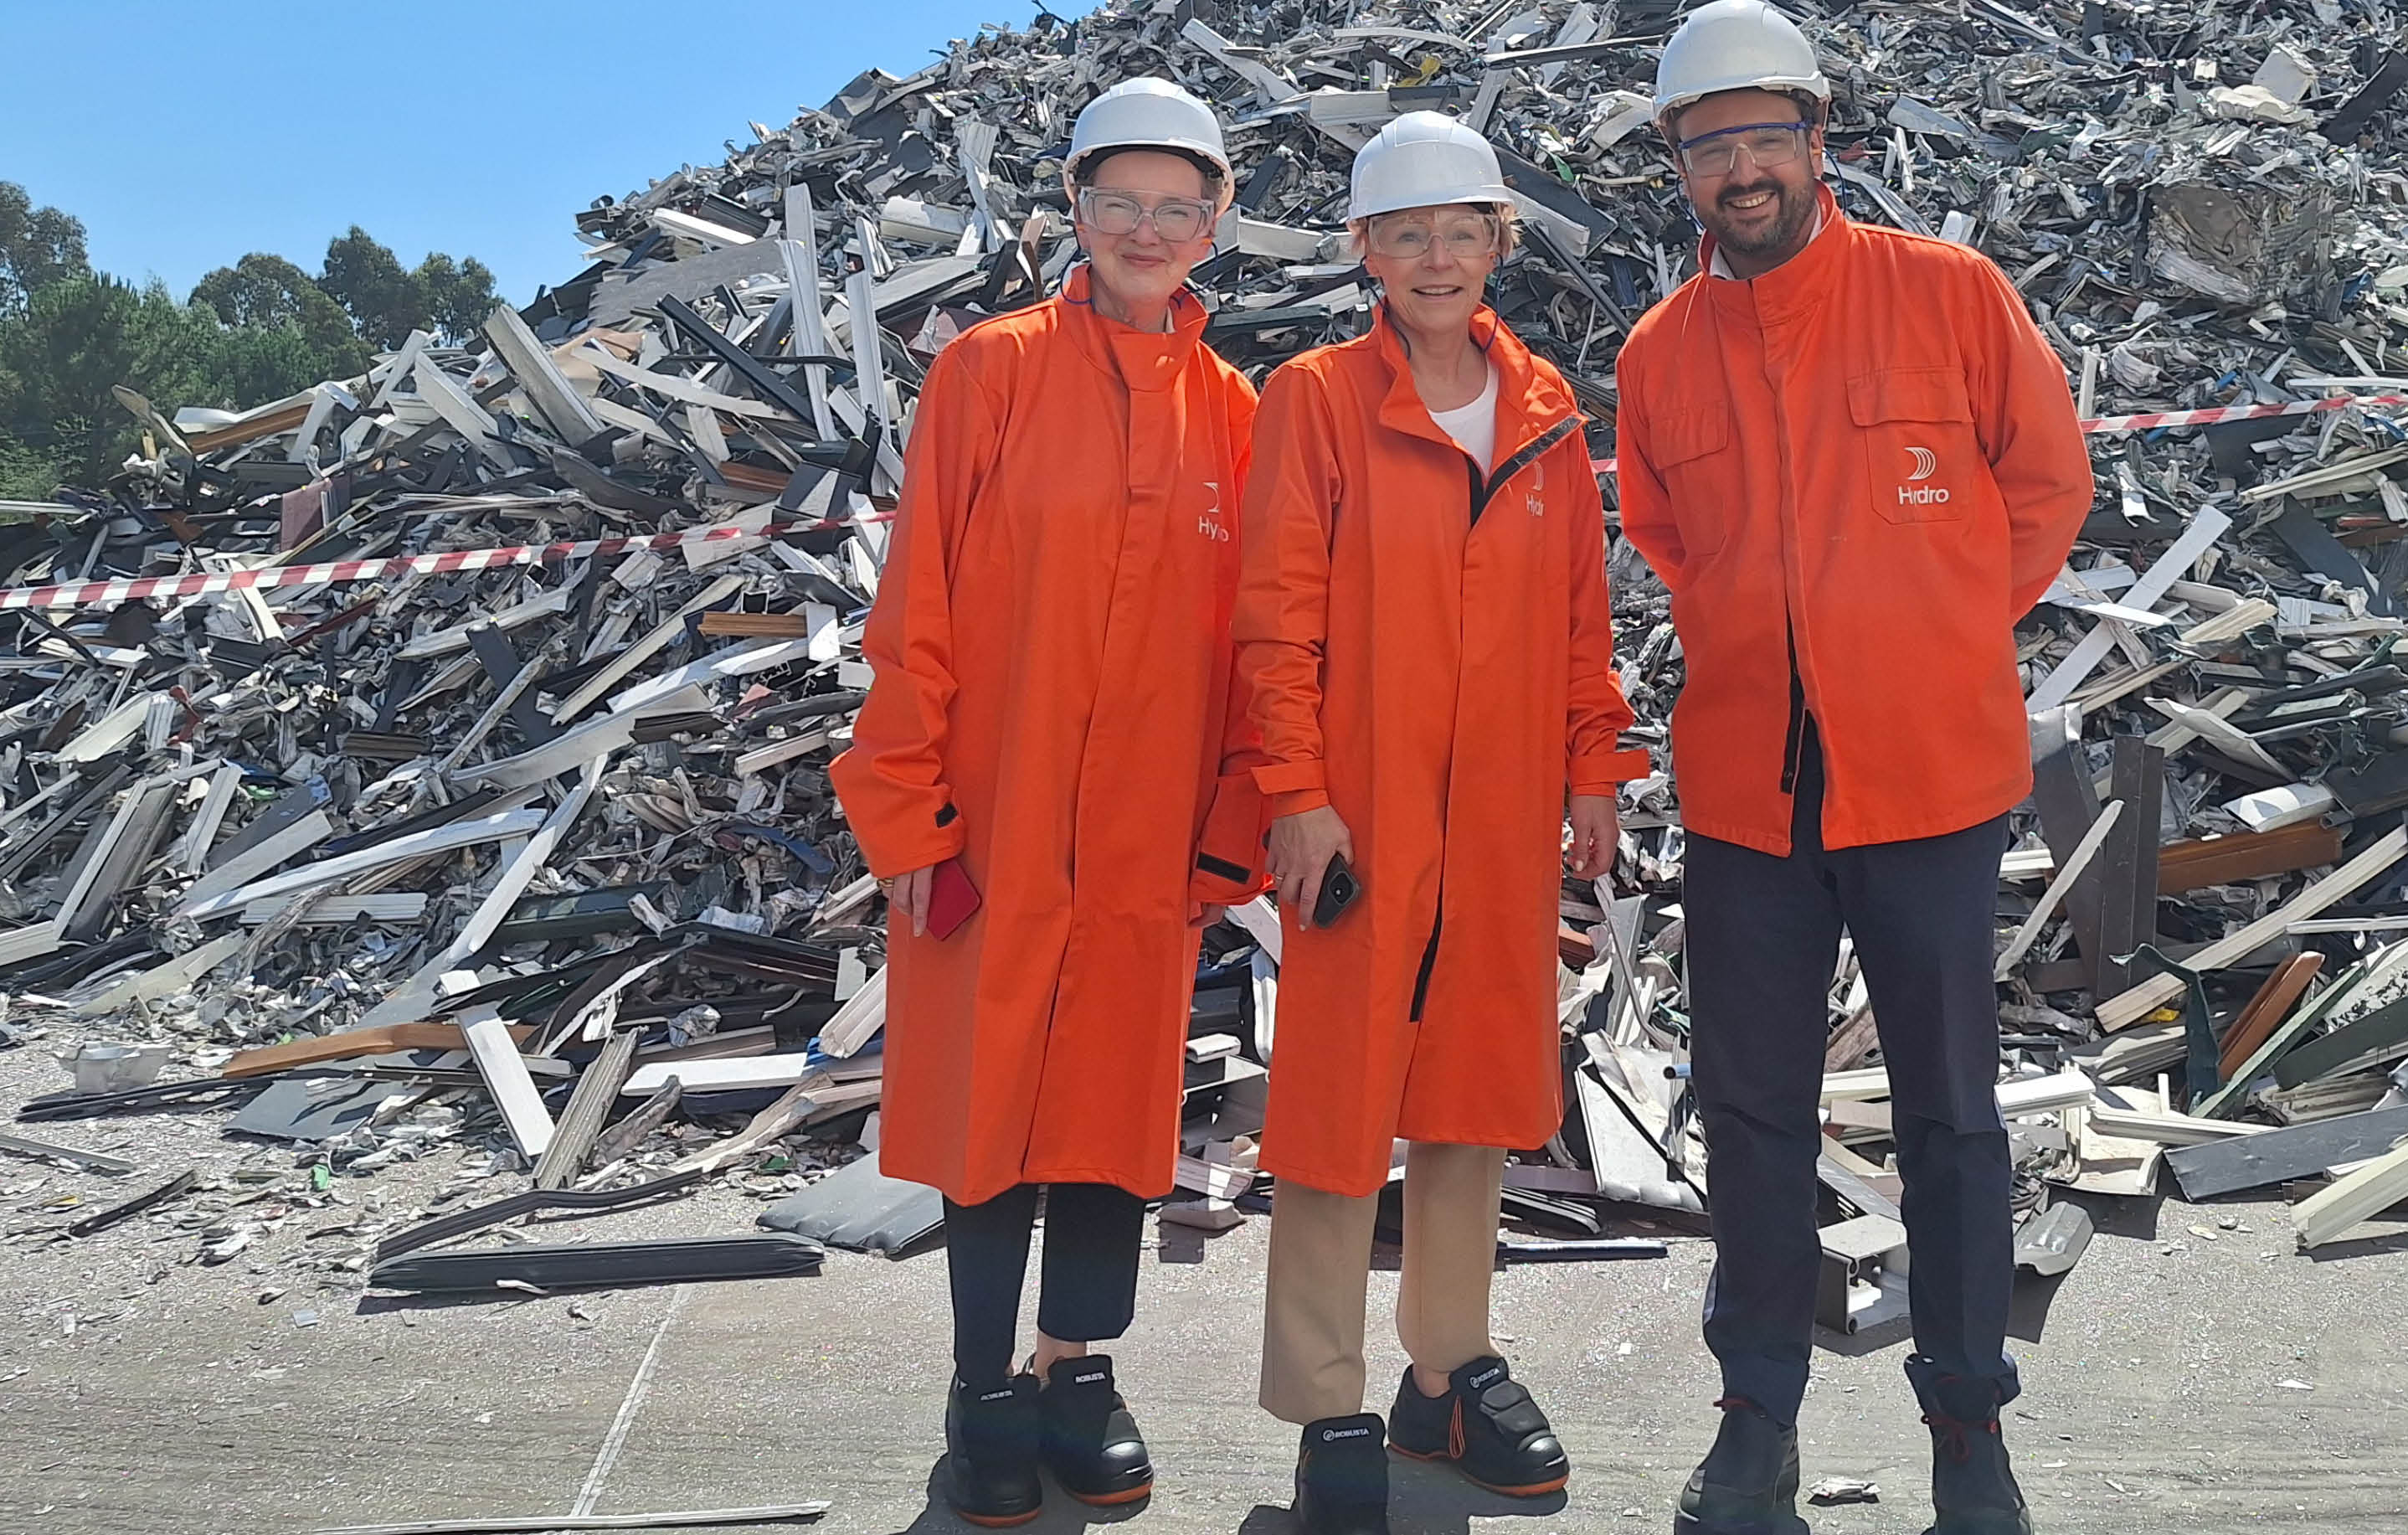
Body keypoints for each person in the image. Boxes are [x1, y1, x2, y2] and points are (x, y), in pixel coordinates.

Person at [1611, 5, 2095, 1532]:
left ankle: (1967, 1424)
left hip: (1927, 782)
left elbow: (2043, 480)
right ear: (1677, 168)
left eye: (1764, 137)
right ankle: (1754, 1415)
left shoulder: (1943, 294)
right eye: (1708, 145)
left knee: (1952, 1112)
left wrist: (1933, 629)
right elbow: (1667, 537)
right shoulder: (1658, 352)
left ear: (1819, 143)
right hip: (1748, 790)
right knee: (1751, 1108)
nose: (1738, 168)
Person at [830, 76, 1265, 1530]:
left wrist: (1231, 821)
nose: (1147, 229)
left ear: (1215, 223)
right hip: (991, 830)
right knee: (986, 1120)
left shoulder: (1236, 412)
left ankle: (1075, 1372)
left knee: (1108, 1120)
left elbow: (1260, 641)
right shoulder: (991, 371)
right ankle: (982, 1399)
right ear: (1073, 210)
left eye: (1177, 206)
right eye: (1118, 201)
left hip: (1148, 844)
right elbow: (919, 606)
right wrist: (907, 817)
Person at [1232, 111, 1645, 1535]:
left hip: (1503, 814)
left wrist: (1595, 767)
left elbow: (1583, 615)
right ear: (1362, 252)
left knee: (1474, 1100)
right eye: (1402, 233)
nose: (1432, 256)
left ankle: (1447, 1369)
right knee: (1340, 1109)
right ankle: (1325, 1399)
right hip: (1361, 816)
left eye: (1458, 230)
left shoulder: (1542, 407)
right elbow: (1274, 618)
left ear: (1497, 245)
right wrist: (1295, 792)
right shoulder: (1316, 396)